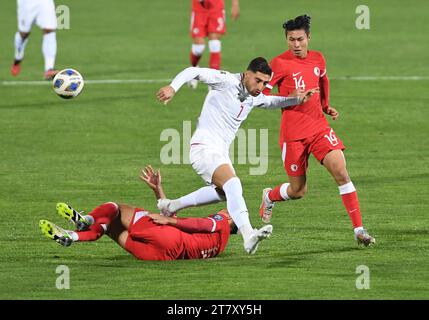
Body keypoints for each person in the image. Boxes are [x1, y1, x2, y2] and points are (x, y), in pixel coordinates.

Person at [156, 57, 318, 254]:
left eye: (265, 82)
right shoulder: (225, 81)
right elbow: (193, 71)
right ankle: (248, 234)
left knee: (224, 192)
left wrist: (297, 98)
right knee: (233, 184)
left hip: (219, 152)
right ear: (247, 74)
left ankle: (171, 206)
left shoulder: (254, 96)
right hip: (204, 148)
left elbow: (270, 101)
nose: (261, 86)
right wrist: (173, 87)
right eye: (258, 80)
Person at [259, 15, 375, 246]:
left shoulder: (318, 58)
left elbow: (323, 80)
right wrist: (291, 98)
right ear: (286, 40)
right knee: (298, 190)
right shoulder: (279, 64)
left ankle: (359, 230)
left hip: (319, 127)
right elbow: (261, 97)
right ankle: (270, 196)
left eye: (300, 39)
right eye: (291, 40)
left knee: (341, 172)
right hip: (292, 135)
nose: (296, 44)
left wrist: (325, 105)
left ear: (309, 37)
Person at [39, 166, 241, 261]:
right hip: (162, 256)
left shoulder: (222, 221)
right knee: (109, 227)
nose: (224, 208)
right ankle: (71, 236)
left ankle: (86, 219)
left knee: (115, 209)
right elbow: (192, 232)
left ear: (232, 218)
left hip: (168, 236)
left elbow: (200, 225)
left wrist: (168, 221)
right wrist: (159, 193)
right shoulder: (219, 245)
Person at [187, 0, 240, 88]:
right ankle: (194, 69)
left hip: (216, 7)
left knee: (215, 42)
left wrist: (235, 4)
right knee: (199, 47)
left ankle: (214, 81)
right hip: (199, 8)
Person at [11, 0, 59, 80]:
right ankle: (18, 57)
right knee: (24, 34)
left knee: (49, 30)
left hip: (45, 2)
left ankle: (49, 69)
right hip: (27, 3)